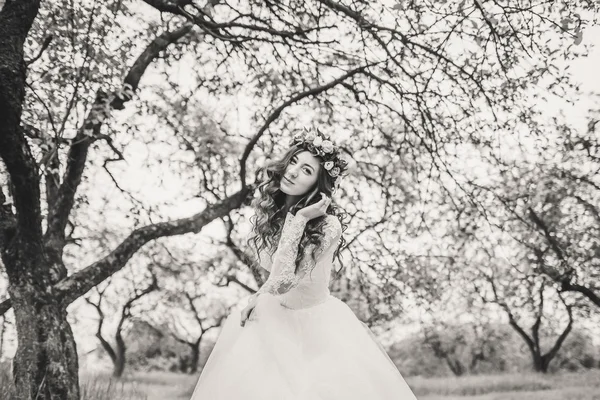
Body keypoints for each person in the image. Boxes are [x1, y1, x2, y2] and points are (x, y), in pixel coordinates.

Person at [189, 128, 418, 399]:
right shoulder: (268, 216)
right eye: (294, 161)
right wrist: (261, 297)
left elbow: (286, 279)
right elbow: (274, 277)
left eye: (307, 171)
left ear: (317, 186)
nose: (294, 171)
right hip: (273, 318)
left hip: (319, 327)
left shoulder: (327, 225)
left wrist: (299, 220)